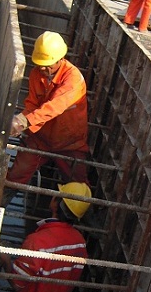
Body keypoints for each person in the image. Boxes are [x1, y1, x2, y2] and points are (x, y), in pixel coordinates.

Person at [6, 31, 89, 192]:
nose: (42, 67)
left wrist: (23, 122)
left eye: (47, 63)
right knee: (15, 177)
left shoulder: (73, 79)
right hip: (40, 138)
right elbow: (32, 103)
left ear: (60, 59)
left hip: (69, 143)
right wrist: (19, 120)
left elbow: (54, 107)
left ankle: (75, 215)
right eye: (39, 63)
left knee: (78, 188)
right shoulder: (37, 74)